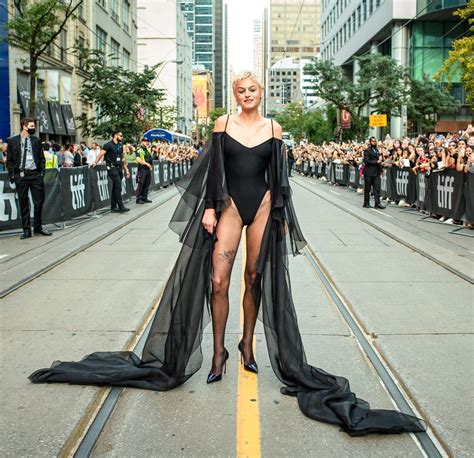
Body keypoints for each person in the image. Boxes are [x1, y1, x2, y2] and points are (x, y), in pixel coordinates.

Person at [28, 73, 425, 437]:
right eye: (241, 90)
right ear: (234, 95)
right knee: (218, 280)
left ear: (261, 93)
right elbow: (213, 168)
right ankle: (218, 351)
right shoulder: (222, 125)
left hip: (265, 203)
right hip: (231, 204)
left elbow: (280, 174)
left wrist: (282, 211)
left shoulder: (274, 127)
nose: (247, 95)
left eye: (253, 90)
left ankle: (247, 345)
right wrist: (210, 207)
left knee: (254, 277)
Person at [6, 118, 52, 239]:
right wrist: (12, 174)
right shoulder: (12, 141)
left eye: (34, 126)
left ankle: (38, 227)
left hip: (35, 175)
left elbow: (41, 158)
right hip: (21, 175)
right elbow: (9, 160)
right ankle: (26, 230)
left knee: (39, 201)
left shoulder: (36, 140)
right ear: (24, 126)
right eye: (31, 126)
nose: (33, 128)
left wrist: (41, 172)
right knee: (23, 202)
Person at [92, 130, 130, 213]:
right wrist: (95, 162)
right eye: (121, 135)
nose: (122, 137)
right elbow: (101, 154)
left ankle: (113, 207)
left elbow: (123, 158)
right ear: (115, 135)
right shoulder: (108, 145)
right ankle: (121, 206)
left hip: (119, 168)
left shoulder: (120, 145)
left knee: (116, 188)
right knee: (118, 186)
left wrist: (126, 169)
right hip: (112, 168)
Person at [362, 136, 386, 209]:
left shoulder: (377, 150)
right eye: (372, 141)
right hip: (369, 172)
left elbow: (379, 162)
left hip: (376, 173)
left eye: (375, 141)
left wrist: (381, 170)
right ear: (370, 142)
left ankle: (377, 204)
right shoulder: (367, 150)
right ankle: (366, 203)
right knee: (367, 189)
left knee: (377, 189)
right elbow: (366, 161)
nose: (374, 142)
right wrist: (376, 161)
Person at [135, 137, 153, 204]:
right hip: (142, 169)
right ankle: (138, 198)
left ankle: (144, 197)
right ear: (141, 142)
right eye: (145, 141)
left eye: (147, 141)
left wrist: (150, 165)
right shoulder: (139, 150)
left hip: (148, 169)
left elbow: (150, 159)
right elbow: (138, 159)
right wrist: (146, 164)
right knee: (141, 184)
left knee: (147, 183)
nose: (147, 142)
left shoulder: (147, 150)